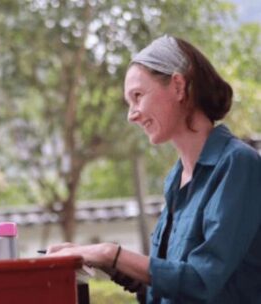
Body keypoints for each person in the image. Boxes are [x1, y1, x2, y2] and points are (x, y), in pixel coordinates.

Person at [47, 35, 261, 303]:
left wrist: (108, 252)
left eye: (137, 96)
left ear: (178, 86)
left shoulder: (238, 163)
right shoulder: (176, 179)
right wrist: (99, 259)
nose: (132, 114)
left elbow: (201, 281)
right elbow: (164, 289)